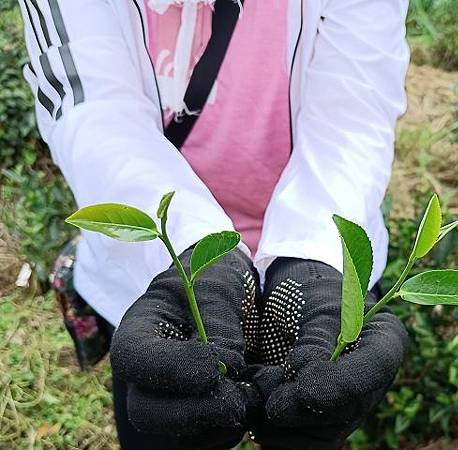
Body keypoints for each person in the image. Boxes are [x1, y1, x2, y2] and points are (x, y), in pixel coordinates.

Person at [18, 0, 410, 448]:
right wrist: (191, 250)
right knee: (167, 413)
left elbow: (354, 111)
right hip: (157, 271)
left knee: (312, 407)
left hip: (317, 250)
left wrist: (316, 256)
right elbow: (91, 106)